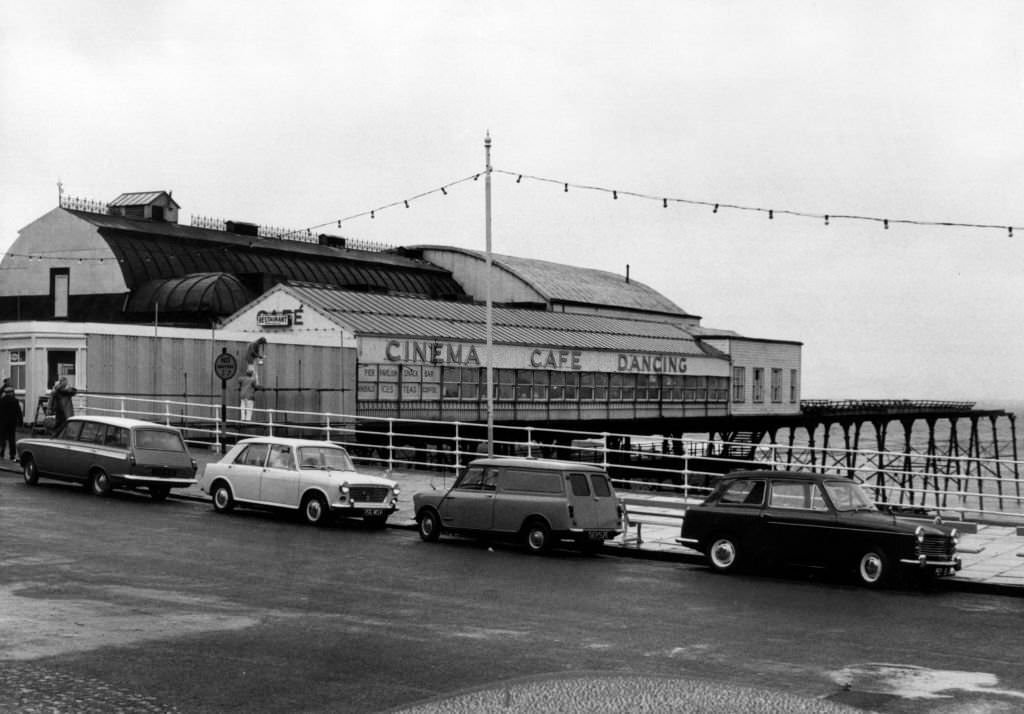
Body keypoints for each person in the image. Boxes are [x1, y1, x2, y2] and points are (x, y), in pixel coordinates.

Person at [0, 384, 23, 461]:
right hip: (12, 422)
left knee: (2, 437)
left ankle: (2, 452)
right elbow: (18, 412)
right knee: (11, 438)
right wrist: (20, 422)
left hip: (2, 422)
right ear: (11, 393)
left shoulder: (1, 401)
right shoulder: (15, 401)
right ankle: (12, 455)